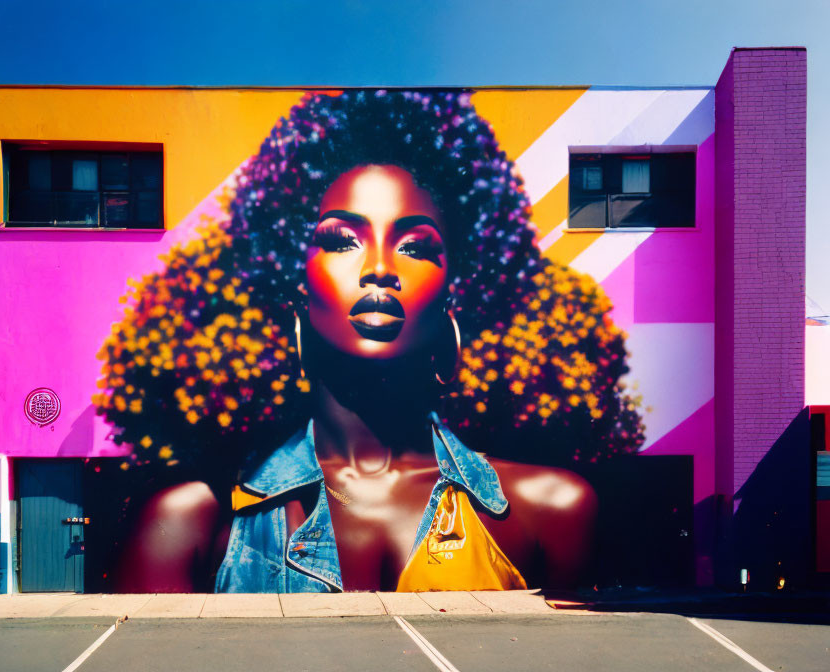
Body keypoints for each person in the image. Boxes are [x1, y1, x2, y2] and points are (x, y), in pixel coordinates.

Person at [107, 90, 618, 593]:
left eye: (415, 247)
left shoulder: (550, 511)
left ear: (450, 301)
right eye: (339, 240)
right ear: (298, 294)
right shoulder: (192, 523)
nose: (379, 269)